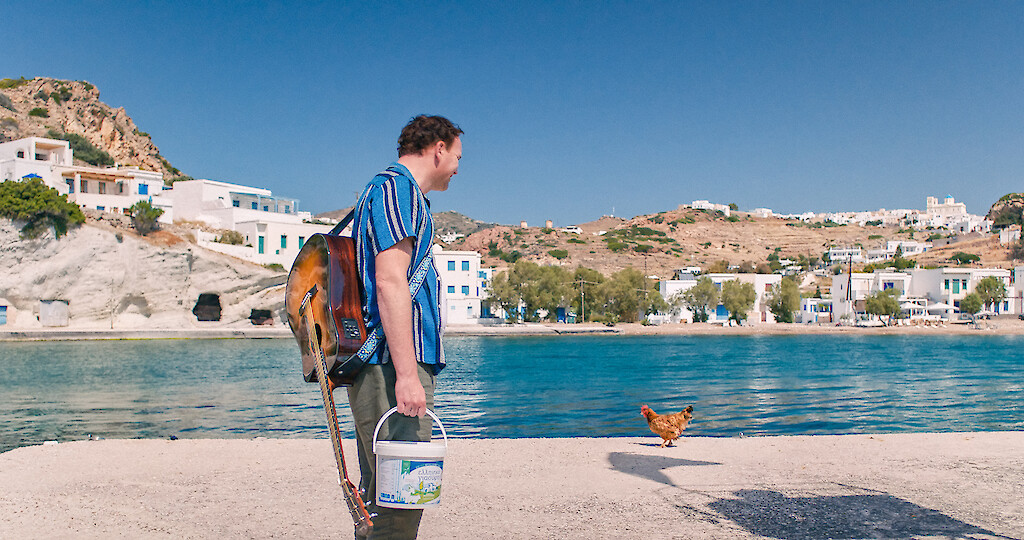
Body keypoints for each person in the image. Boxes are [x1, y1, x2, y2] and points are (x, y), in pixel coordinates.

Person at [348, 115, 462, 539]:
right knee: (398, 500)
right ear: (438, 148)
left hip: (389, 365)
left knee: (388, 496)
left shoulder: (401, 194)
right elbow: (390, 280)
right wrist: (409, 374)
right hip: (391, 365)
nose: (456, 167)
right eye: (456, 156)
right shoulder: (397, 190)